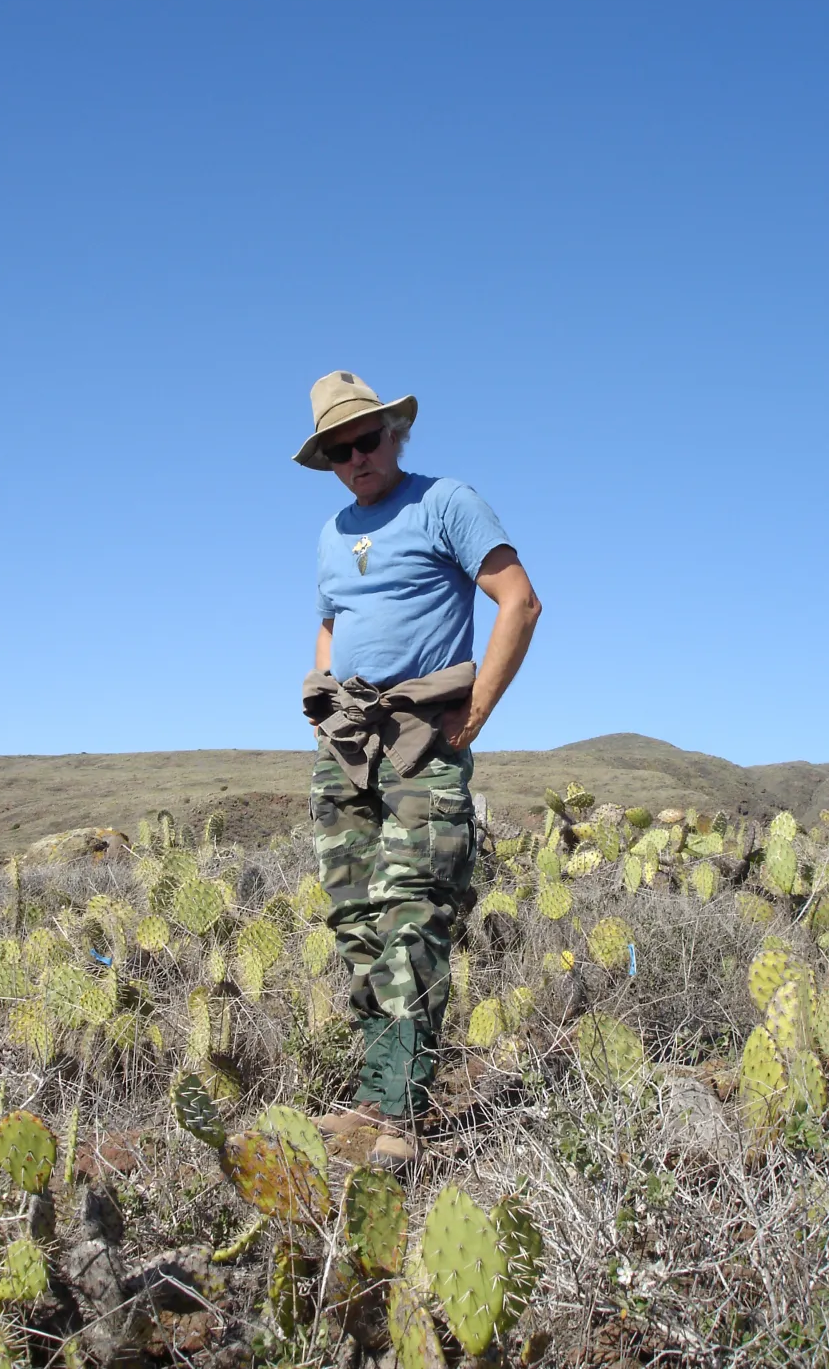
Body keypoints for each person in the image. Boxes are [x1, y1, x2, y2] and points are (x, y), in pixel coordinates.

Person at [295, 370, 542, 1168]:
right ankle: (373, 1095)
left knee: (415, 911)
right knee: (354, 919)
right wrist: (322, 694)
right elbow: (332, 621)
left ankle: (397, 1113)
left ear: (395, 434)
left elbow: (519, 600)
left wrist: (474, 715)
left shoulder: (446, 502)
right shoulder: (334, 530)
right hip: (346, 748)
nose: (355, 457)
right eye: (339, 449)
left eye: (366, 440)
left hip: (420, 743)